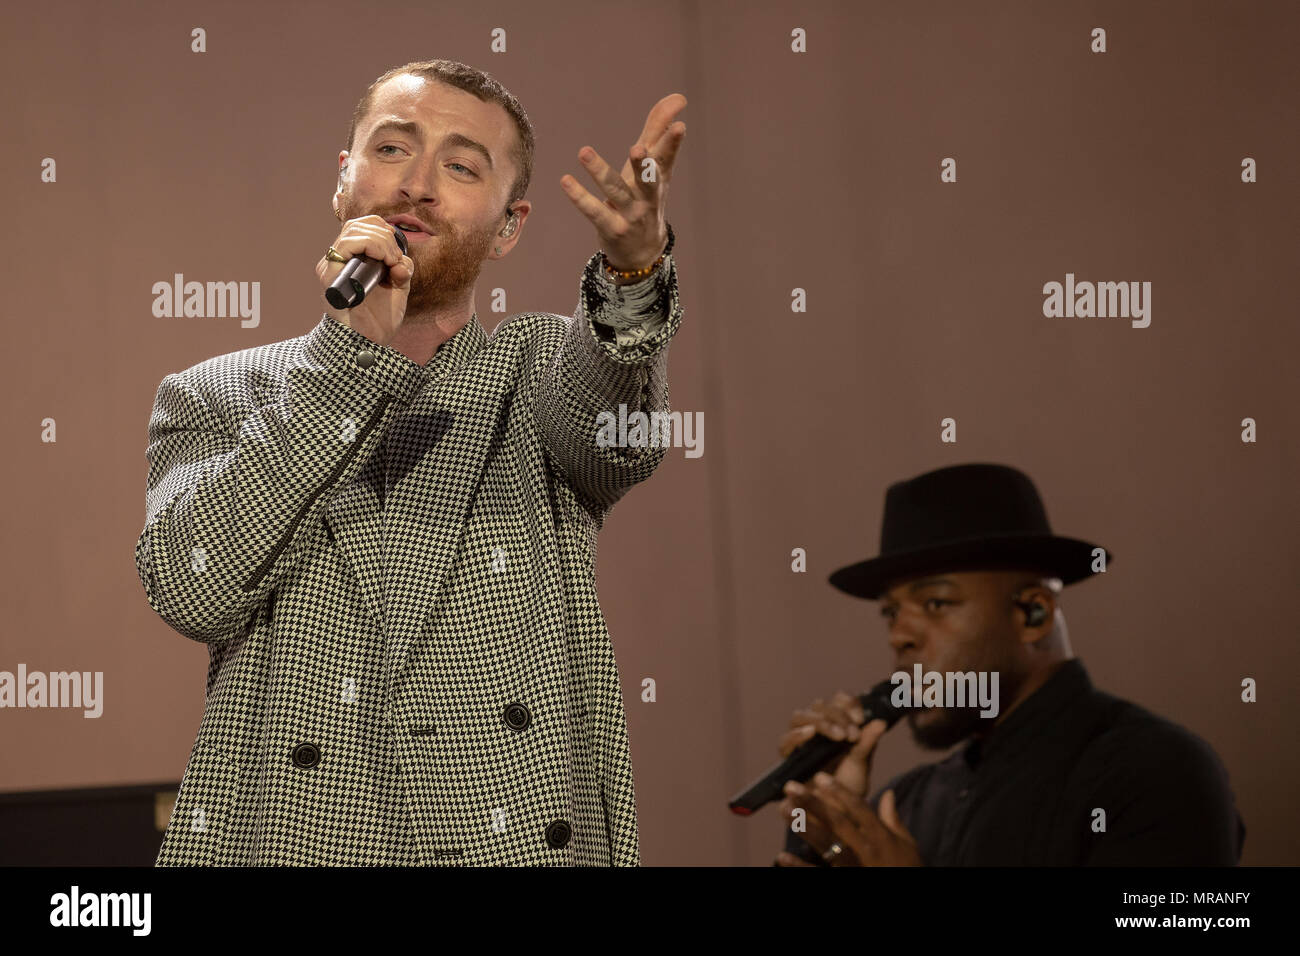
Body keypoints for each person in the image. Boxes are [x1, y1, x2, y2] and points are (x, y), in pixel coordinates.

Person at [135, 59, 688, 866]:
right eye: (393, 149)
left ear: (509, 226)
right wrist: (346, 358)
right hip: (298, 836)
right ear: (343, 179)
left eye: (462, 167)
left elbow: (619, 439)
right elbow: (192, 590)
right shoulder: (217, 393)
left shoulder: (537, 372)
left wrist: (634, 272)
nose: (418, 184)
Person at [774, 463, 1245, 866]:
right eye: (891, 612)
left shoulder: (1155, 771)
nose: (900, 635)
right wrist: (826, 821)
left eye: (936, 603)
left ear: (1033, 613)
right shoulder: (912, 801)